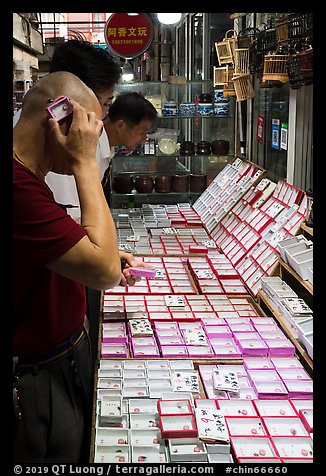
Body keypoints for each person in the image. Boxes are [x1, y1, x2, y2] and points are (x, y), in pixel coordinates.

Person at [13, 71, 150, 463]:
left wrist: (91, 248)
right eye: (87, 129)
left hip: (59, 358)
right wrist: (85, 163)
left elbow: (56, 248)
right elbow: (105, 272)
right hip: (39, 376)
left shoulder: (28, 177)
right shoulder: (18, 186)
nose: (92, 139)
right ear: (56, 122)